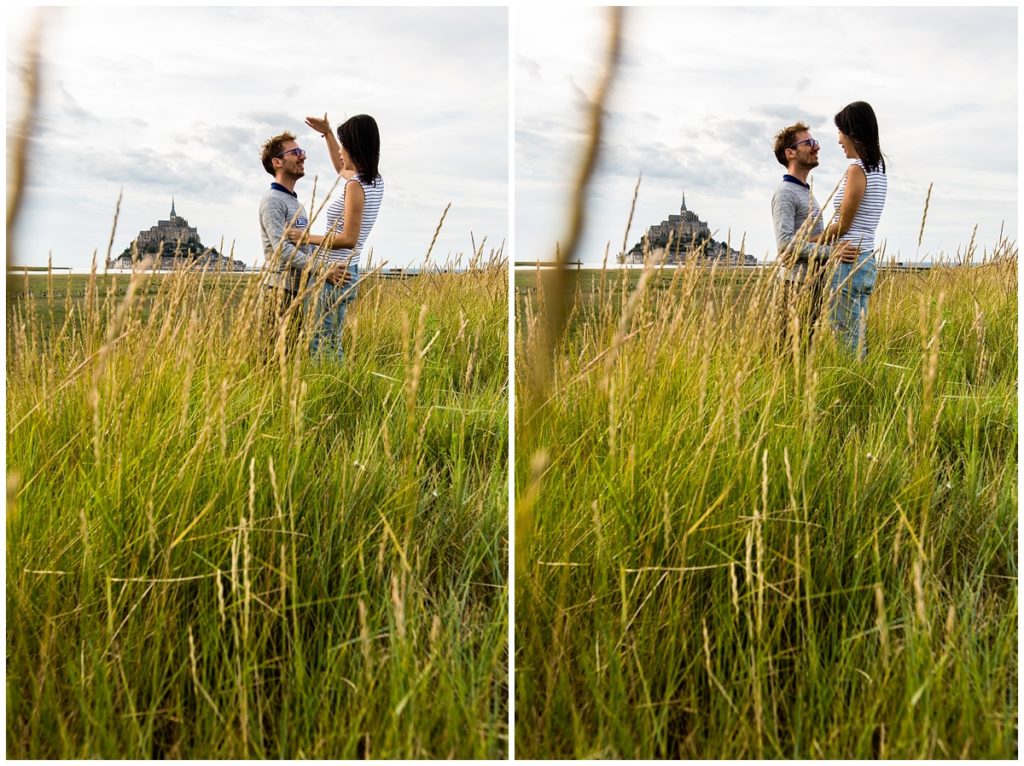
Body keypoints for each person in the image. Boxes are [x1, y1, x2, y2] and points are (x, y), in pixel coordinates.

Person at [286, 113, 384, 361]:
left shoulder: (355, 186)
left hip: (334, 272)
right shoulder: (373, 181)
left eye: (343, 145)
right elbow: (341, 169)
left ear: (355, 147)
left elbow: (348, 238)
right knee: (330, 340)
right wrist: (327, 133)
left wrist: (306, 238)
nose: (340, 151)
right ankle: (337, 392)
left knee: (321, 343)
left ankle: (333, 395)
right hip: (347, 269)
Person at [814, 101, 888, 359]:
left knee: (846, 337)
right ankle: (863, 387)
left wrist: (812, 241)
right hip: (865, 259)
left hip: (849, 262)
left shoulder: (857, 169)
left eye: (841, 132)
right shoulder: (878, 168)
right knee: (856, 335)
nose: (838, 140)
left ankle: (855, 392)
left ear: (853, 133)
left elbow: (844, 224)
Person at [770, 122, 853, 348]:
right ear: (790, 153)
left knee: (806, 353)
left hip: (811, 284)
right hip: (794, 285)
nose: (817, 147)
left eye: (815, 142)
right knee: (789, 356)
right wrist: (832, 253)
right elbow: (786, 245)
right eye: (809, 143)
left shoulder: (804, 191)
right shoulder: (786, 192)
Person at [258, 131, 313, 330]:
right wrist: (322, 270)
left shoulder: (293, 201)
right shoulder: (273, 200)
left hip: (297, 291)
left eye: (302, 151)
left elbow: (303, 246)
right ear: (277, 162)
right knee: (274, 358)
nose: (303, 156)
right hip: (279, 291)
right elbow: (282, 250)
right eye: (295, 152)